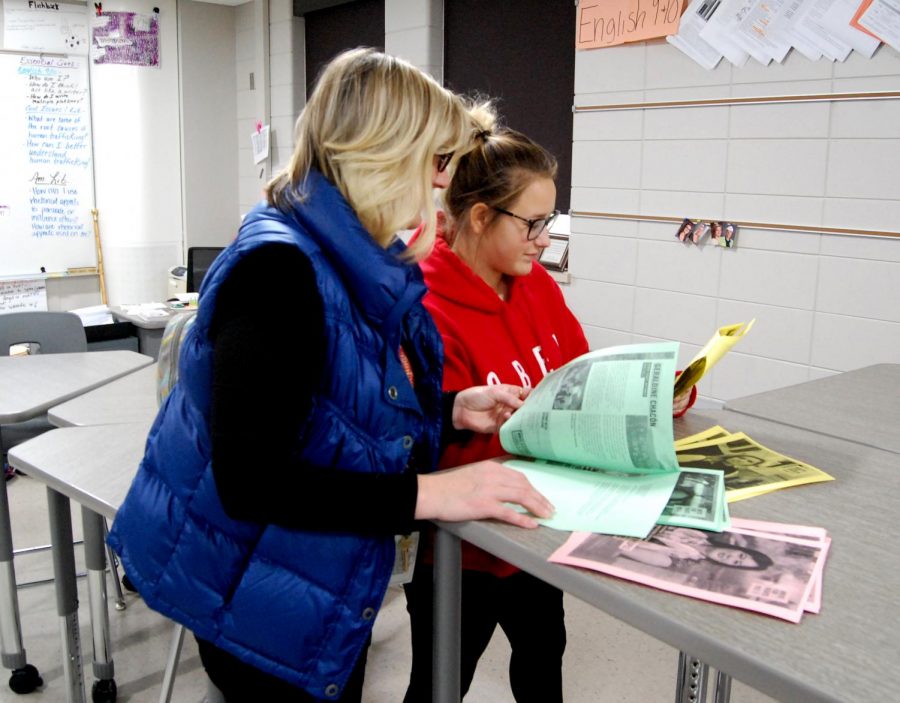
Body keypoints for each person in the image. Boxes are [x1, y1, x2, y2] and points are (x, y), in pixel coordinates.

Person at [107, 49, 555, 703]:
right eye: (435, 162)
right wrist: (432, 493)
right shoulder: (280, 272)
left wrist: (453, 407)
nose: (441, 184)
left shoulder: (342, 255)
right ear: (383, 156)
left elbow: (338, 413)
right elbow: (254, 482)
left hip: (295, 576)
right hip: (257, 590)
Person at [404, 121, 697, 702]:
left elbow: (581, 381)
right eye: (533, 224)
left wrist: (648, 402)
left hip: (543, 534)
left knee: (543, 665)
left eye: (550, 223)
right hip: (467, 552)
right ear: (482, 217)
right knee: (440, 684)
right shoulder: (425, 306)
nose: (544, 239)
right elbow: (420, 440)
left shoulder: (535, 283)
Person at [619, 527, 774, 571]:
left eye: (736, 563)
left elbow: (620, 547)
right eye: (740, 556)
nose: (730, 557)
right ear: (739, 549)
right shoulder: (704, 532)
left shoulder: (673, 561)